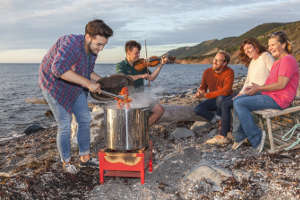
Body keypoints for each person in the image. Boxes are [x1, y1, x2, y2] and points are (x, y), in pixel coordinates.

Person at [39, 19, 113, 174]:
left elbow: (88, 73)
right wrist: (88, 83)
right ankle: (66, 162)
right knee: (65, 124)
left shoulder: (92, 52)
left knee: (85, 119)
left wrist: (102, 82)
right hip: (53, 85)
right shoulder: (71, 43)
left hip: (74, 85)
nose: (100, 49)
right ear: (88, 37)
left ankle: (85, 158)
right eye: (98, 44)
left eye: (103, 45)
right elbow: (58, 69)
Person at [232, 31, 299, 153]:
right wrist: (253, 89)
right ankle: (241, 136)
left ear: (283, 45)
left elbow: (281, 84)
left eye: (273, 44)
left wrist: (259, 88)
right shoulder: (278, 62)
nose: (270, 48)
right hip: (271, 95)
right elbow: (270, 84)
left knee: (240, 104)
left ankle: (256, 138)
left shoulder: (288, 60)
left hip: (280, 99)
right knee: (238, 99)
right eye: (269, 45)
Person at [206, 38, 274, 145]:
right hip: (250, 91)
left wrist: (262, 87)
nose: (247, 51)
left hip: (261, 92)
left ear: (256, 46)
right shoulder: (252, 62)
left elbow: (274, 75)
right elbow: (247, 81)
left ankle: (231, 135)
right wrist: (240, 93)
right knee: (225, 102)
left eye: (249, 48)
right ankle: (227, 134)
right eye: (245, 50)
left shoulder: (265, 56)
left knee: (232, 102)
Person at [116, 40, 167, 126]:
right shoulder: (121, 65)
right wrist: (141, 76)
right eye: (136, 53)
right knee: (130, 120)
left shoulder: (142, 64)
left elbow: (152, 78)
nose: (138, 55)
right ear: (128, 52)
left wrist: (161, 65)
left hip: (141, 97)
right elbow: (124, 78)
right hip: (127, 98)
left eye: (139, 53)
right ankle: (138, 130)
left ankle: (142, 129)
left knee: (160, 110)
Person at [194, 50, 234, 129]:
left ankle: (220, 119)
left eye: (218, 60)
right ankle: (216, 119)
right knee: (197, 109)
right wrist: (199, 93)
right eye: (214, 59)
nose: (214, 62)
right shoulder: (207, 72)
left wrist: (206, 95)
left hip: (226, 99)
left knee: (221, 97)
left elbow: (226, 91)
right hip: (213, 100)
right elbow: (203, 87)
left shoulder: (229, 72)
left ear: (224, 63)